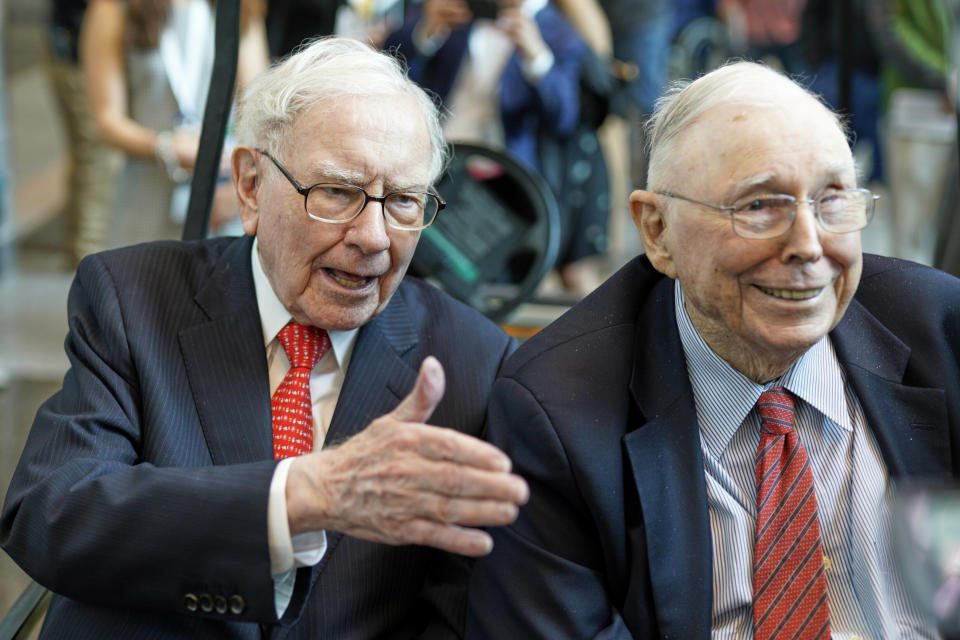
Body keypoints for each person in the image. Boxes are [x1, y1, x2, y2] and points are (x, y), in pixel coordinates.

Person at [1, 36, 528, 638]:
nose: (376, 237)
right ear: (251, 185)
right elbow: (51, 514)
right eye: (337, 192)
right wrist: (299, 498)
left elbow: (465, 613)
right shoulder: (133, 297)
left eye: (404, 201)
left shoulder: (475, 362)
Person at [465, 61, 960, 638]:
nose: (808, 245)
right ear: (656, 230)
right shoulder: (555, 412)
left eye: (832, 200)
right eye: (758, 207)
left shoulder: (941, 332)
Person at [81, 0, 270, 243]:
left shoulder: (239, 6)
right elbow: (106, 120)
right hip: (149, 189)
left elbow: (258, 108)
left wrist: (240, 185)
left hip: (224, 186)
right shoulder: (114, 8)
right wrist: (165, 147)